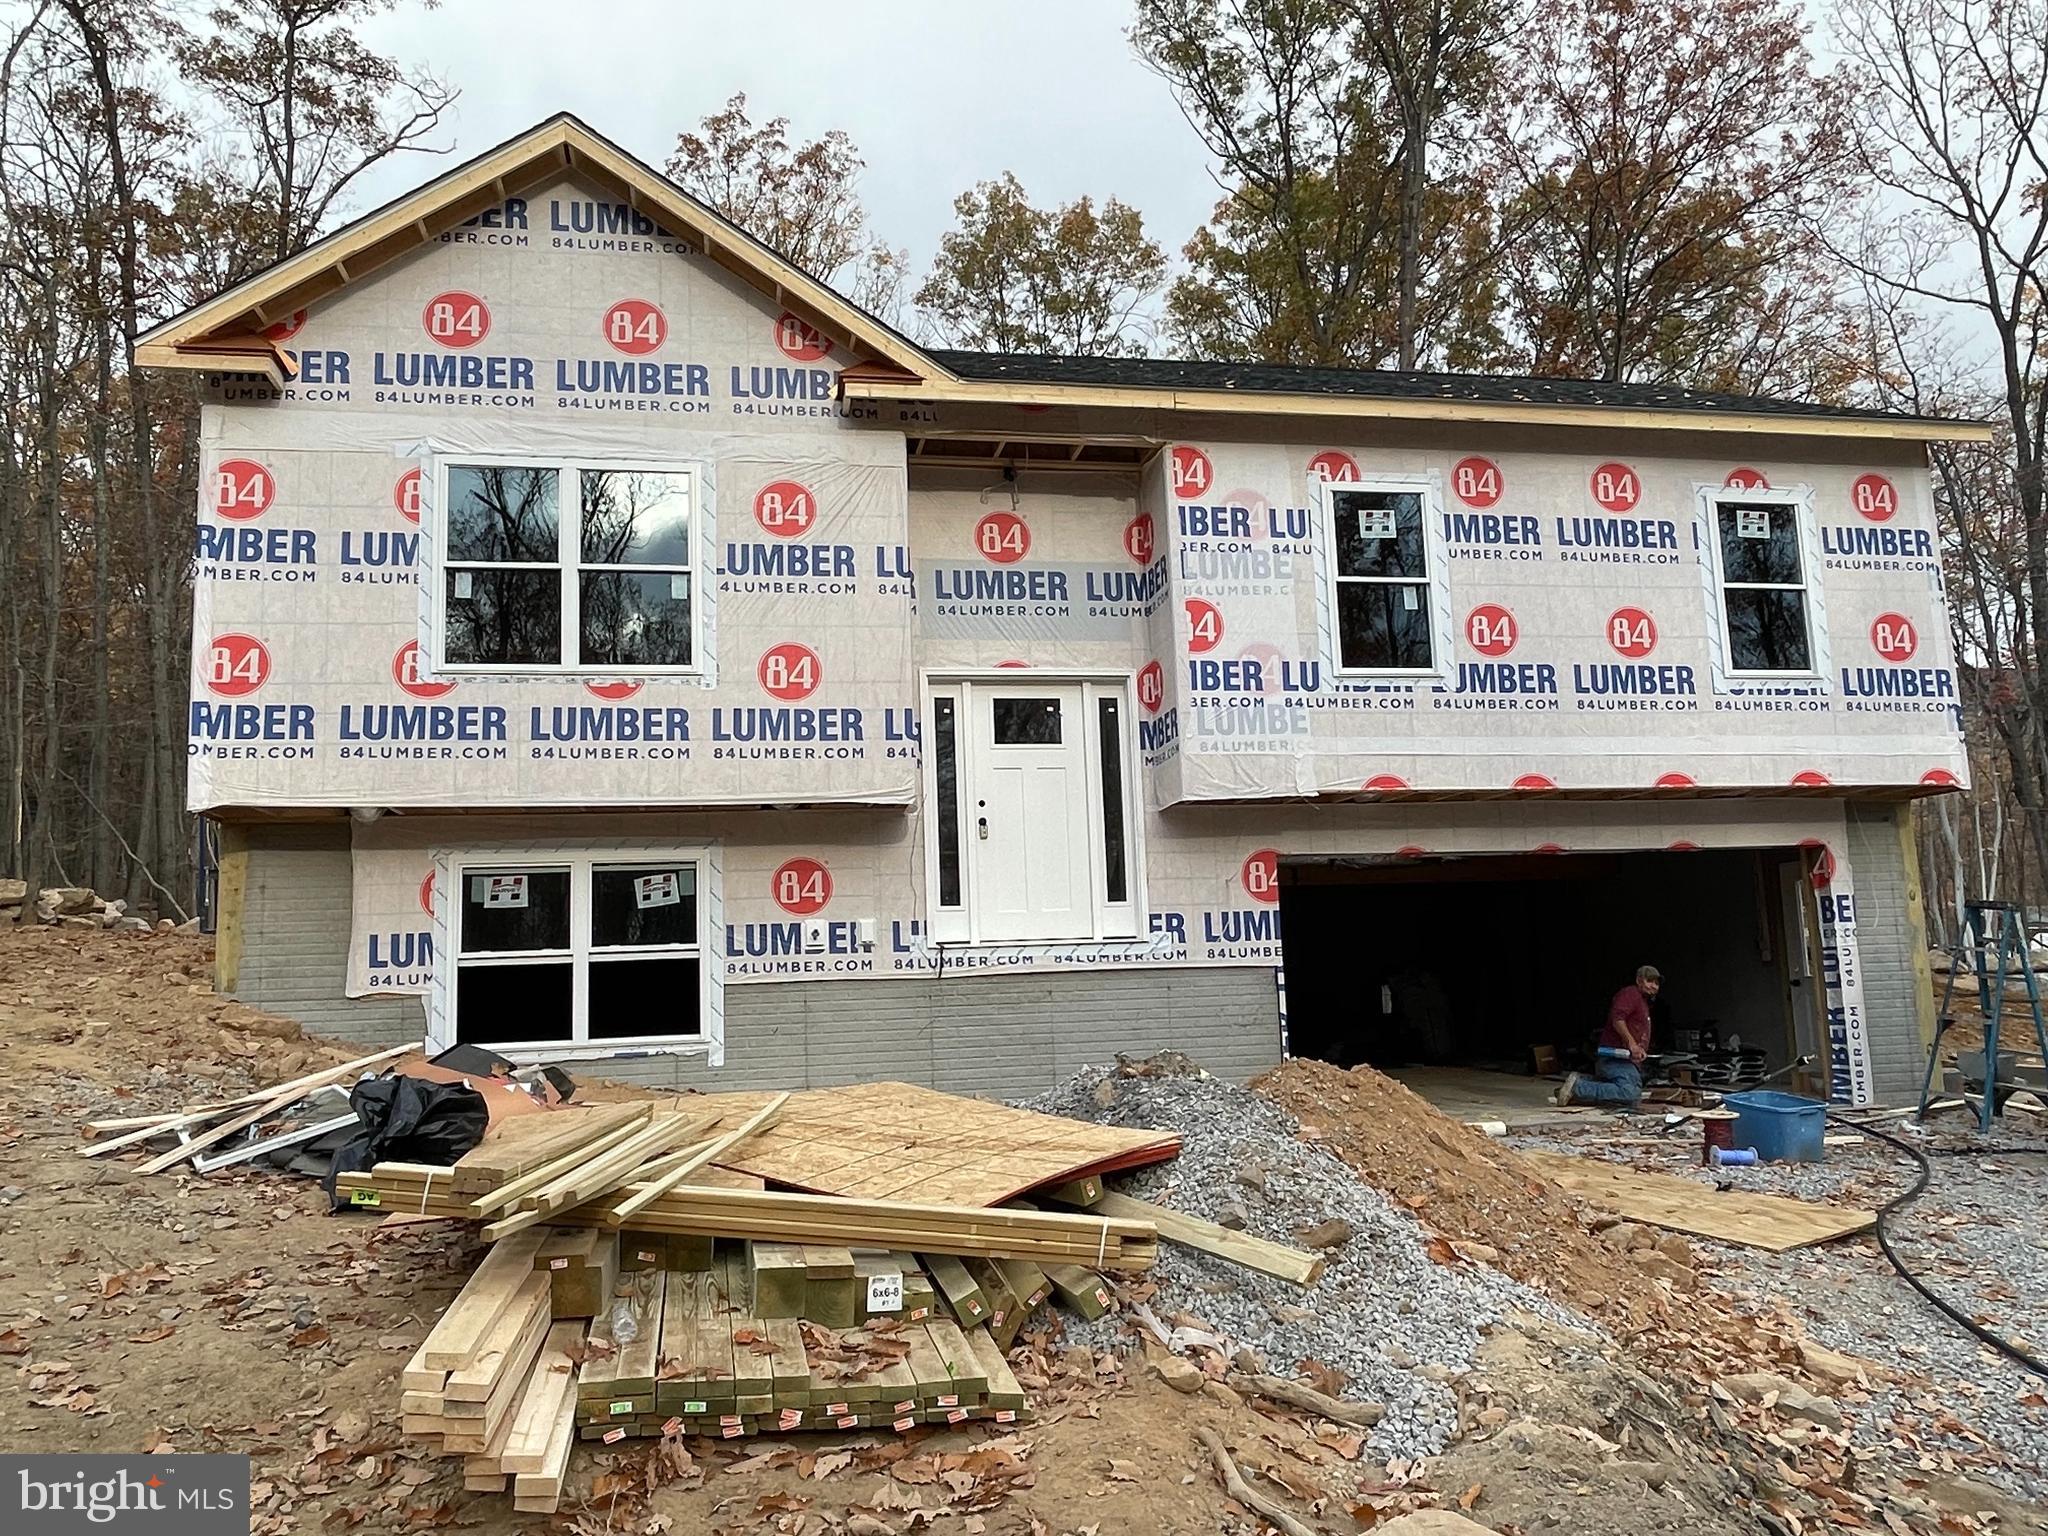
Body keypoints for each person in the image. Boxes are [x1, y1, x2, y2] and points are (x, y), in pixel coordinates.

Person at [1556, 965, 1659, 1109]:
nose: (1654, 986)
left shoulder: (1642, 1002)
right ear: (1639, 980)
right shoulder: (1631, 994)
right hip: (1615, 1057)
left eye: (1656, 983)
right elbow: (1617, 1019)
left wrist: (1639, 1049)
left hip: (1626, 1060)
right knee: (1630, 1093)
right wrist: (1632, 1045)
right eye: (1650, 981)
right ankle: (1579, 1088)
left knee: (1632, 1095)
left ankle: (1584, 1082)